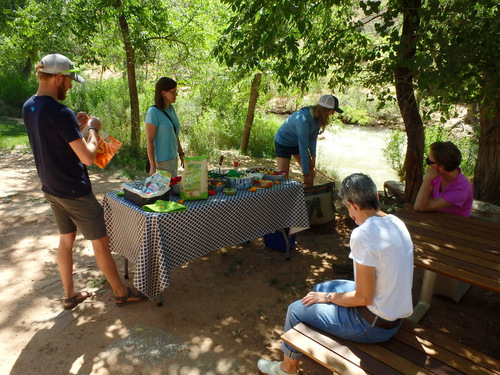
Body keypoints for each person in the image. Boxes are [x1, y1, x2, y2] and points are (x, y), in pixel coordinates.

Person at [22, 53, 147, 310]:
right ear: (58, 78)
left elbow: (55, 141)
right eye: (68, 80)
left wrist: (75, 128)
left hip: (51, 187)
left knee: (66, 240)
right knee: (101, 241)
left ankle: (70, 295)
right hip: (73, 190)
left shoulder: (29, 107)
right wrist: (93, 128)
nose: (70, 85)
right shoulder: (60, 111)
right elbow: (88, 158)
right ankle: (121, 292)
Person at [257, 173, 414, 375]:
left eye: (348, 207)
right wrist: (325, 295)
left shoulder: (363, 234)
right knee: (320, 289)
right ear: (375, 195)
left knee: (295, 310)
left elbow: (363, 297)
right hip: (392, 316)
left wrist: (329, 298)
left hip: (373, 326)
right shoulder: (396, 222)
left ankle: (286, 369)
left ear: (352, 204)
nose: (350, 214)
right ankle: (313, 342)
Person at [274, 94, 343, 187]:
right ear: (325, 109)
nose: (333, 113)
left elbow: (312, 139)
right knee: (283, 178)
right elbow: (303, 145)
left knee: (311, 174)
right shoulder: (303, 119)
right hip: (284, 142)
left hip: (297, 144)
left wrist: (313, 157)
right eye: (332, 111)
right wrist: (305, 173)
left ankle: (307, 198)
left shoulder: (318, 118)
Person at [145, 77, 184, 195]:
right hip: (161, 161)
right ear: (163, 93)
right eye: (173, 92)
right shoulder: (153, 112)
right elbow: (149, 141)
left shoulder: (171, 109)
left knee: (172, 192)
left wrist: (181, 153)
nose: (176, 95)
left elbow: (174, 133)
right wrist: (152, 166)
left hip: (172, 158)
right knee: (170, 193)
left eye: (176, 91)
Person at [414, 141, 473, 217]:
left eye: (429, 161)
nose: (428, 165)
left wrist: (426, 179)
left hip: (454, 225)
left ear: (441, 167)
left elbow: (420, 207)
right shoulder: (438, 175)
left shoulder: (461, 190)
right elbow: (423, 202)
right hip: (439, 219)